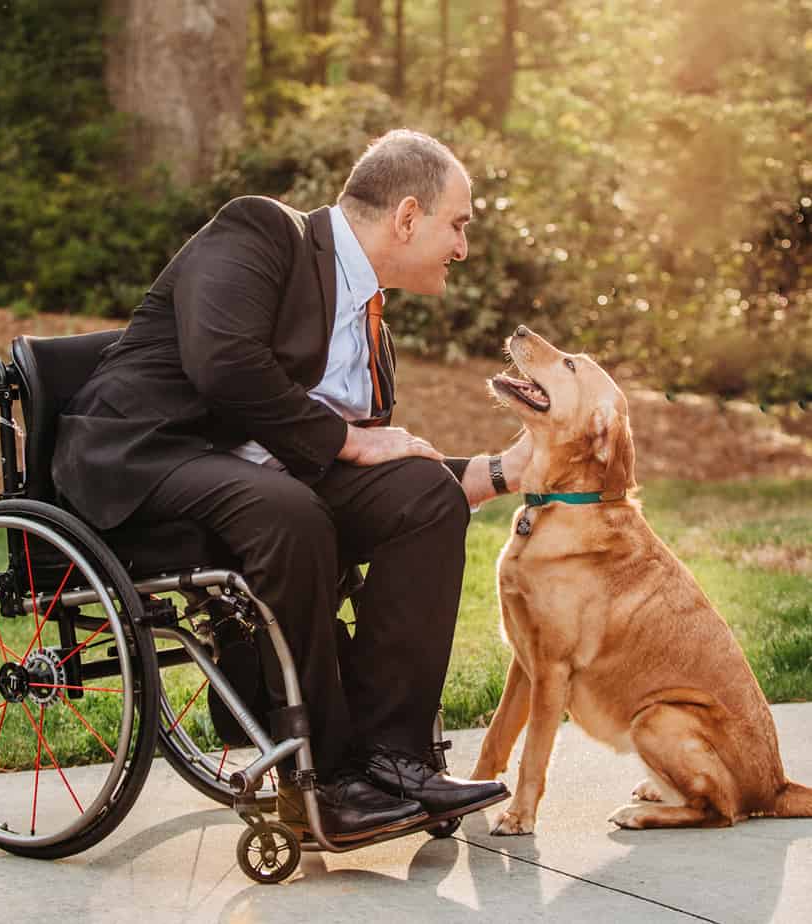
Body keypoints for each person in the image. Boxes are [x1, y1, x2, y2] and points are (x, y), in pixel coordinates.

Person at [52, 129, 533, 843]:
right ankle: (324, 782)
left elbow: (368, 459)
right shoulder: (261, 230)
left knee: (424, 501)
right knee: (291, 511)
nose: (463, 249)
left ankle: (394, 758)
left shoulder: (370, 328)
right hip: (147, 458)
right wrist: (347, 439)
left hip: (266, 486)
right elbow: (224, 364)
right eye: (457, 225)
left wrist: (499, 470)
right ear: (407, 217)